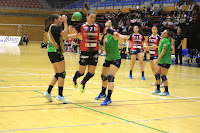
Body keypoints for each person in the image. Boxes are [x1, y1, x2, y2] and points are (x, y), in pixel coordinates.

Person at [68, 10, 125, 93]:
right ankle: (74, 78)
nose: (92, 19)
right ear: (87, 17)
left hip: (94, 52)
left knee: (91, 73)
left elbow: (108, 30)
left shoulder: (98, 25)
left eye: (94, 18)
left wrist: (117, 34)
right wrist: (72, 21)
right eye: (91, 17)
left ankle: (83, 82)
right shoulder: (82, 26)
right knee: (81, 72)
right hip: (84, 51)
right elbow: (70, 32)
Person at [95, 20, 125, 106]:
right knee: (103, 76)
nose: (106, 21)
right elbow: (100, 47)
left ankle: (108, 98)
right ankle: (103, 93)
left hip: (115, 59)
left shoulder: (113, 35)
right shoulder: (105, 36)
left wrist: (120, 35)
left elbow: (116, 34)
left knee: (110, 77)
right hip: (107, 58)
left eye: (109, 21)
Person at [43, 14, 69, 104]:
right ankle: (60, 95)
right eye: (60, 19)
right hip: (56, 52)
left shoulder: (52, 28)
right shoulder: (54, 27)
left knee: (58, 74)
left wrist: (77, 35)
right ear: (55, 20)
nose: (61, 20)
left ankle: (48, 92)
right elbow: (65, 33)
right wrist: (66, 22)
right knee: (62, 74)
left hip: (51, 52)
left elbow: (66, 35)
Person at [151, 29, 174, 96]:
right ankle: (158, 89)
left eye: (164, 33)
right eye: (163, 32)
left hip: (166, 61)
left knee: (163, 76)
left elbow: (163, 51)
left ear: (167, 35)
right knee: (157, 74)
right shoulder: (162, 40)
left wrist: (157, 59)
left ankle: (166, 91)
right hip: (161, 60)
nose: (162, 33)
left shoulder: (166, 41)